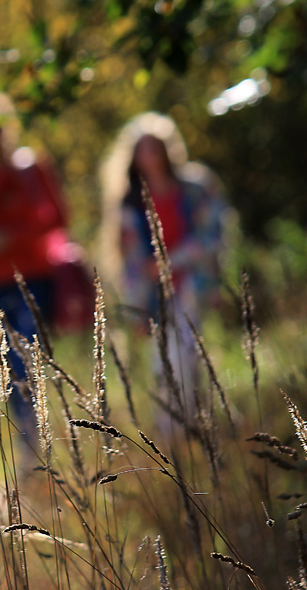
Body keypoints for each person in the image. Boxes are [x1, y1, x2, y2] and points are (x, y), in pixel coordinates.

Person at [98, 113, 229, 432]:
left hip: (192, 287)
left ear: (168, 150)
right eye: (142, 151)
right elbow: (129, 263)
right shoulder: (129, 203)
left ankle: (195, 429)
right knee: (165, 362)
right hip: (153, 297)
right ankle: (172, 433)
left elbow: (214, 235)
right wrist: (137, 311)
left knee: (188, 357)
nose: (149, 157)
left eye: (154, 149)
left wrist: (179, 263)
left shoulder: (196, 187)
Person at [0, 90, 70, 443]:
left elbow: (58, 217)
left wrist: (12, 235)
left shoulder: (33, 167)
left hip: (35, 276)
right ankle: (29, 443)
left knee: (27, 360)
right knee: (3, 365)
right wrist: (1, 171)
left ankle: (35, 443)